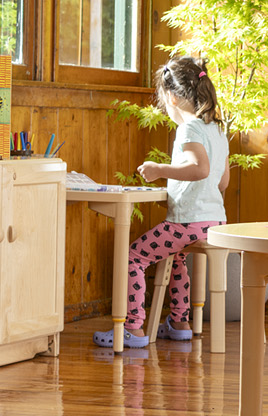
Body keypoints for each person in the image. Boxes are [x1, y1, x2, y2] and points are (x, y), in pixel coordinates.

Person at [94, 56, 230, 349]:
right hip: (214, 220)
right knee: (176, 256)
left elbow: (201, 169)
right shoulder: (217, 129)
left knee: (134, 257)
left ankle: (133, 327)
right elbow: (221, 181)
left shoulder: (189, 129)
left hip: (188, 221)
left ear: (172, 97)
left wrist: (159, 170)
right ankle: (180, 322)